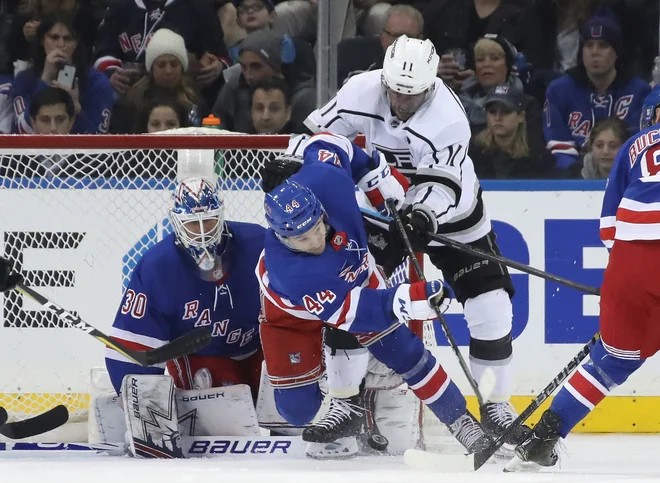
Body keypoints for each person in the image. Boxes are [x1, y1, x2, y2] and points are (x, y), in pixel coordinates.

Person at [304, 35, 524, 446]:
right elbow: (323, 139)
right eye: (396, 92)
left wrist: (423, 212)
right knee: (351, 294)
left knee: (490, 303)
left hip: (453, 215)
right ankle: (343, 402)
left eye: (413, 95)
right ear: (384, 77)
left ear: (431, 83)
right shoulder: (361, 90)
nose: (402, 103)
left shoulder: (449, 118)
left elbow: (445, 184)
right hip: (382, 210)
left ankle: (496, 404)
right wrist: (299, 168)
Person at [258, 131, 493, 459]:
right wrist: (413, 298)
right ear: (282, 238)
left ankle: (464, 424)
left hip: (353, 282)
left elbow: (327, 142)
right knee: (296, 410)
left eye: (317, 228)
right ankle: (343, 396)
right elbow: (359, 312)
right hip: (292, 317)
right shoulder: (292, 272)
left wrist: (376, 177)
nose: (315, 242)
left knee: (406, 353)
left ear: (320, 209)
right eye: (302, 240)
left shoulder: (327, 180)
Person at [506, 84, 660, 472]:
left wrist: (627, 280)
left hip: (629, 261)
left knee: (613, 361)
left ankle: (544, 436)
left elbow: (608, 227)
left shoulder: (633, 147)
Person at [106, 176, 265, 398]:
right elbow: (133, 340)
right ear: (176, 222)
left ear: (220, 216)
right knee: (225, 413)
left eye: (208, 220)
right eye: (192, 224)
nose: (202, 232)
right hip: (204, 357)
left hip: (261, 349)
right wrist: (139, 399)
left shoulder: (259, 244)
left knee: (288, 406)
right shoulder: (158, 267)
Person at [543, 16, 651, 171]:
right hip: (573, 178)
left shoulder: (640, 92)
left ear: (616, 52)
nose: (595, 52)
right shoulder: (559, 90)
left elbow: (640, 146)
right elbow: (559, 147)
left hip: (625, 173)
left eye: (603, 45)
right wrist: (577, 172)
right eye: (589, 45)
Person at [11, 12, 113, 134]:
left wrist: (77, 110)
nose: (61, 45)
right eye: (54, 37)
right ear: (42, 40)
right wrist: (44, 81)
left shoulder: (97, 82)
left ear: (76, 43)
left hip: (78, 152)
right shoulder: (23, 80)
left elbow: (99, 142)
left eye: (68, 39)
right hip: (36, 153)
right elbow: (22, 131)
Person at [109, 28, 207, 133]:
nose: (168, 71)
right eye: (161, 65)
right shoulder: (131, 102)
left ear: (182, 68)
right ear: (151, 68)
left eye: (174, 64)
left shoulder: (194, 100)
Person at [470, 85, 555, 179]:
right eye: (492, 111)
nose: (498, 118)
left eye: (506, 111)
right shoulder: (471, 152)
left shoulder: (538, 158)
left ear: (521, 116)